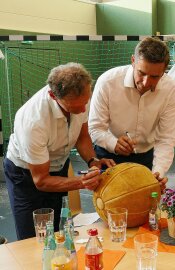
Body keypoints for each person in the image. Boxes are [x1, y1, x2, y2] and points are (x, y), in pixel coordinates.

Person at [4, 63, 116, 240]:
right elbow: (41, 181)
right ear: (52, 95)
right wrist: (82, 183)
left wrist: (93, 161)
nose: (82, 110)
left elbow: (82, 136)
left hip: (59, 164)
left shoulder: (80, 98)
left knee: (58, 230)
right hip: (25, 174)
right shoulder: (33, 121)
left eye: (85, 103)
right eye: (74, 107)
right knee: (33, 237)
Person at [88, 37, 175, 183]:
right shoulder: (107, 82)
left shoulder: (171, 89)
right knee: (109, 204)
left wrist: (158, 172)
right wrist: (113, 143)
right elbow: (95, 128)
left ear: (164, 72)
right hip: (108, 157)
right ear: (133, 60)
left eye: (155, 77)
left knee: (144, 203)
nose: (145, 82)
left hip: (145, 156)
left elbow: (166, 138)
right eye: (141, 73)